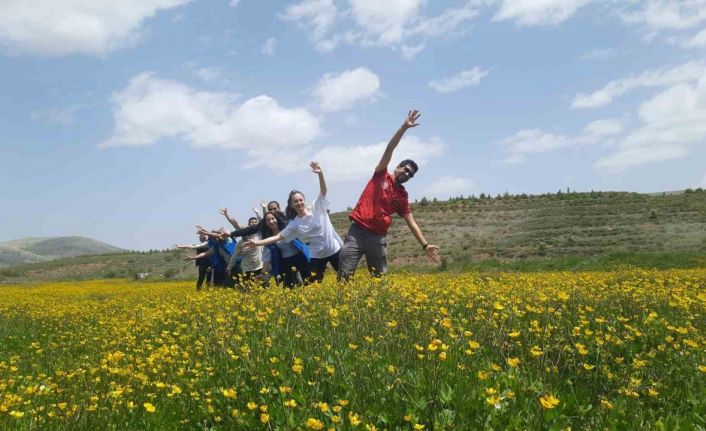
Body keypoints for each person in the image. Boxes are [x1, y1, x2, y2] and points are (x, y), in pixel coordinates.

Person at [338, 110, 440, 281]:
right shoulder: (381, 174)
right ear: (398, 167)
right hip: (356, 232)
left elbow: (411, 222)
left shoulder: (402, 196)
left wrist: (425, 245)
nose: (407, 174)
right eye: (406, 169)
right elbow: (389, 148)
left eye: (410, 174)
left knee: (379, 279)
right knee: (344, 275)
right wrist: (404, 127)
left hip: (377, 237)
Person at [244, 161, 342, 283]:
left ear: (304, 200)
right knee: (314, 284)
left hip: (334, 250)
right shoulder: (295, 224)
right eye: (295, 201)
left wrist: (320, 174)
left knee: (346, 279)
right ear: (292, 204)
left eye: (300, 200)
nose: (299, 203)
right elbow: (278, 236)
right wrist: (257, 243)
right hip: (317, 256)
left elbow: (323, 191)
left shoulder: (317, 207)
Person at [258, 210, 310, 288]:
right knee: (290, 287)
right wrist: (262, 273)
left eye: (273, 218)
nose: (271, 221)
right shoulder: (268, 239)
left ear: (277, 219)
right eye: (268, 220)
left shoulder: (288, 228)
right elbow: (267, 258)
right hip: (286, 262)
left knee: (309, 282)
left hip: (300, 257)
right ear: (266, 223)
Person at [229, 217, 263, 287]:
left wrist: (264, 208)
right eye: (252, 222)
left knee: (261, 287)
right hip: (247, 269)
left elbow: (263, 222)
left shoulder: (258, 236)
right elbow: (234, 256)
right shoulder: (240, 243)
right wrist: (229, 267)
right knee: (249, 288)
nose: (253, 223)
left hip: (260, 267)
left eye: (255, 222)